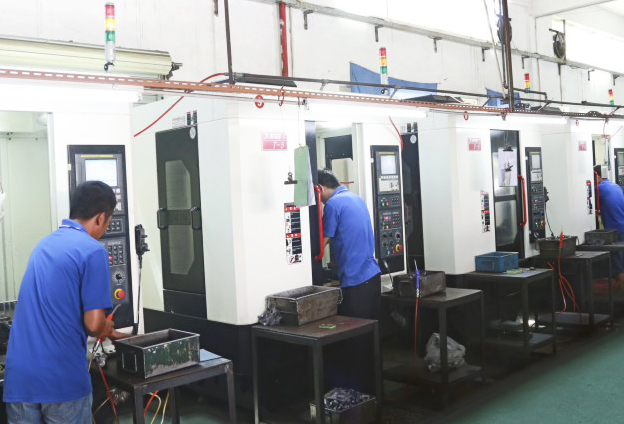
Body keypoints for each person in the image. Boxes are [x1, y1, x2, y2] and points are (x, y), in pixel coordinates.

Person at [4, 181, 127, 424]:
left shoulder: (43, 244)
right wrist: (107, 327)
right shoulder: (93, 251)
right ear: (101, 217)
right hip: (61, 381)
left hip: (20, 379)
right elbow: (94, 324)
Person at [318, 168, 381, 319]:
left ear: (320, 188)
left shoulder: (333, 204)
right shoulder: (357, 199)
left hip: (355, 280)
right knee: (370, 328)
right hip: (372, 276)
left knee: (354, 329)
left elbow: (321, 244)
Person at [594, 165, 624, 285]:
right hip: (622, 227)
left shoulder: (598, 188)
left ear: (596, 175)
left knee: (618, 268)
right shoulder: (615, 186)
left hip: (616, 231)